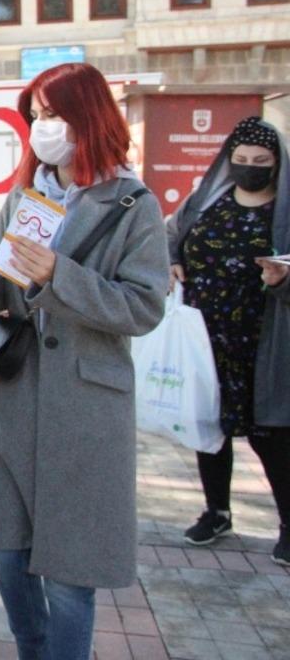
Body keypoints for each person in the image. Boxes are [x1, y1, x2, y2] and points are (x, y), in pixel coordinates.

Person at [0, 62, 168, 660]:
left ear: (88, 118)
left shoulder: (132, 204)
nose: (42, 128)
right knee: (9, 558)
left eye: (52, 115)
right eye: (36, 116)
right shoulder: (29, 192)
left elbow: (143, 307)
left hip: (87, 409)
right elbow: (0, 286)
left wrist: (59, 277)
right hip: (16, 400)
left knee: (70, 577)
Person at [167, 116, 290, 564]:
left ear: (277, 164)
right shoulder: (208, 200)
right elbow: (170, 237)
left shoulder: (285, 211)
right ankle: (216, 511)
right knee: (209, 426)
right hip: (207, 336)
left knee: (272, 436)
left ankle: (288, 524)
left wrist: (281, 281)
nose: (249, 167)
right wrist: (171, 261)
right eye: (240, 160)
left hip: (264, 341)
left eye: (260, 161)